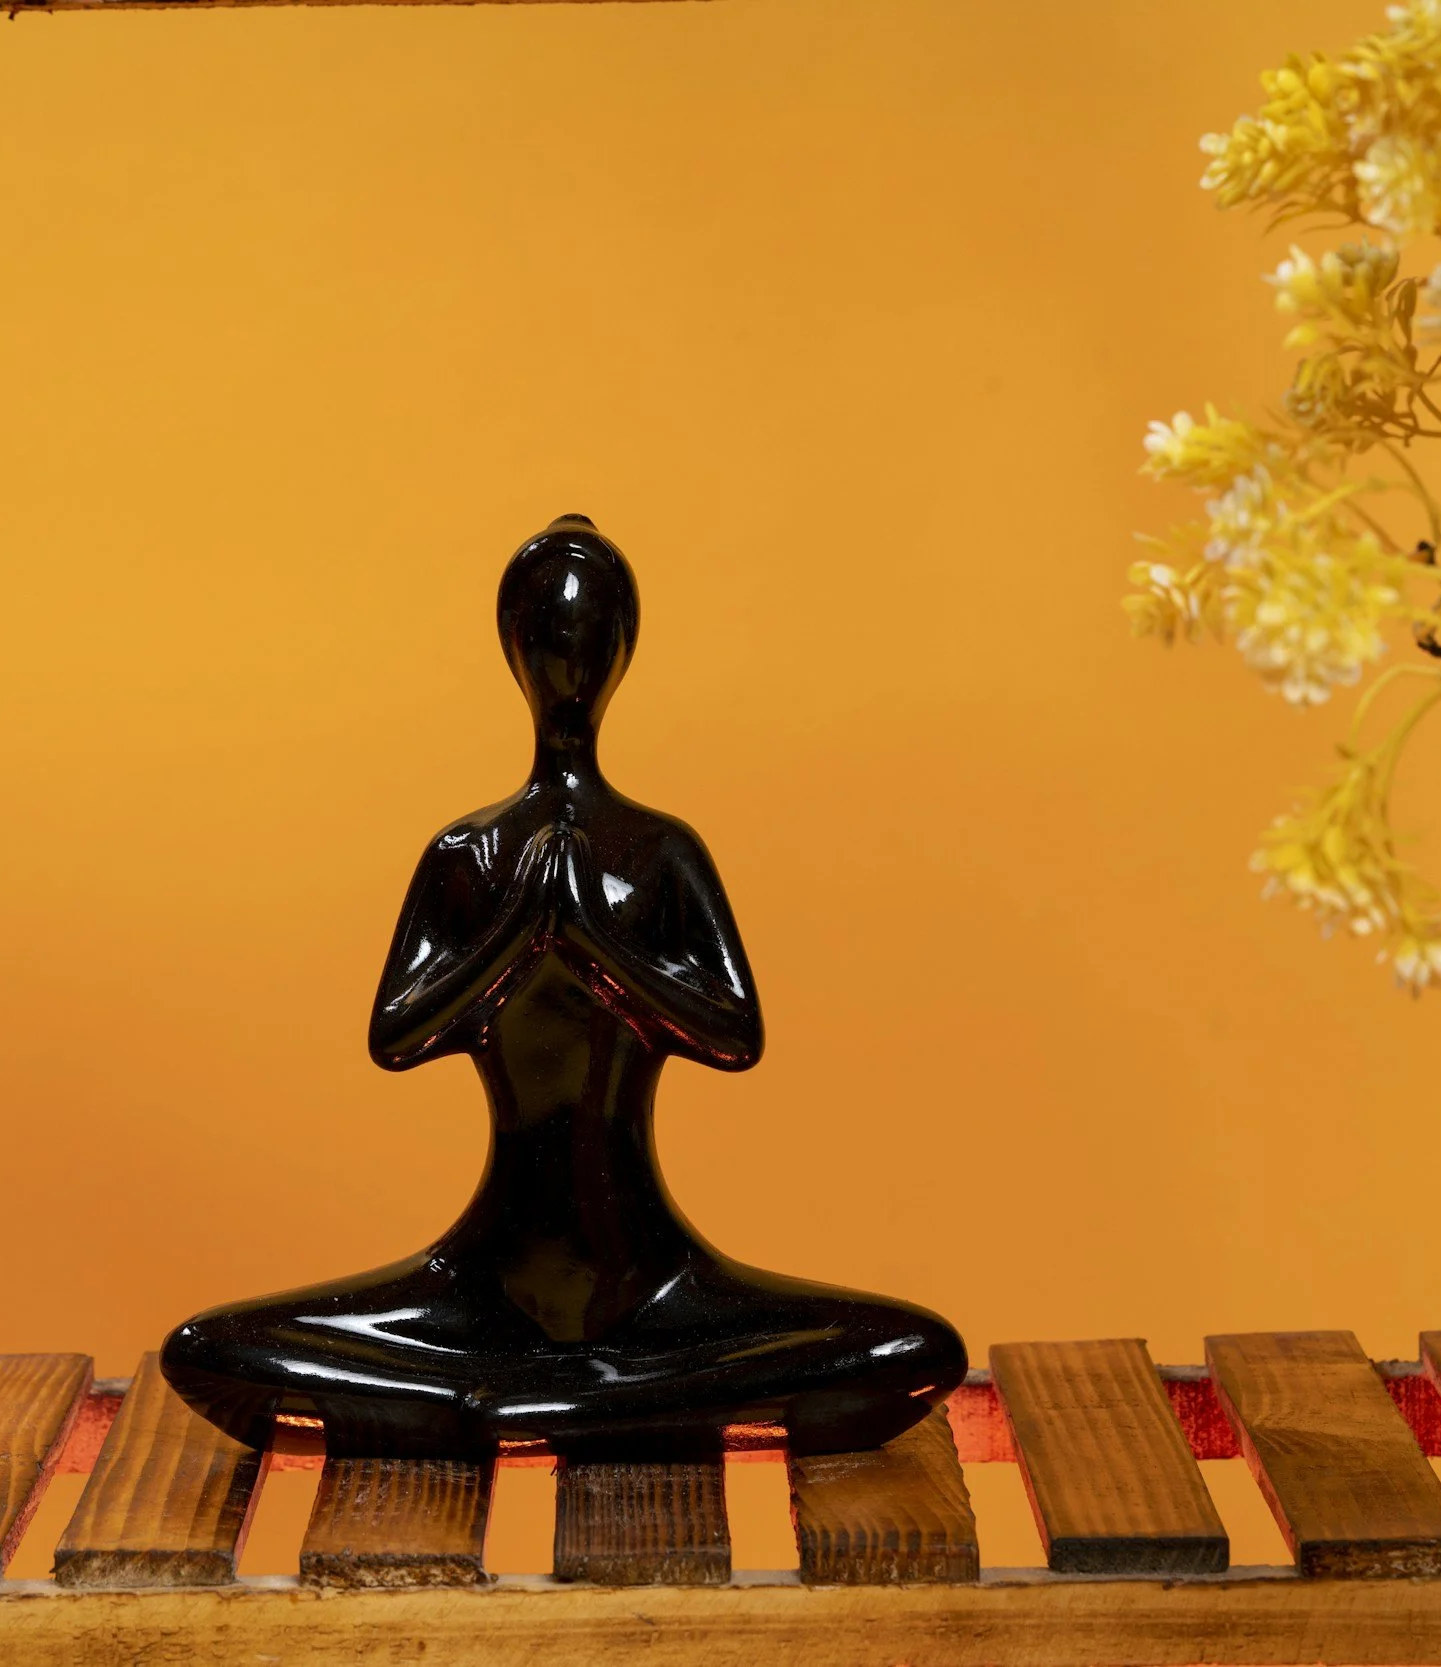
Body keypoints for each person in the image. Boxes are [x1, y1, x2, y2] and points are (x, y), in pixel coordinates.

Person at [162, 516, 965, 1459]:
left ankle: (551, 1407)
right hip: (476, 1290)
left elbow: (733, 1035)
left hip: (658, 1286)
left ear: (622, 654)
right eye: (548, 637)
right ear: (514, 652)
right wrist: (518, 933)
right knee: (209, 1350)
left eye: (588, 639)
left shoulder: (661, 851)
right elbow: (398, 1035)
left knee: (908, 1348)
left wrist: (591, 941)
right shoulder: (470, 851)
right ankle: (569, 1398)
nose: (568, 663)